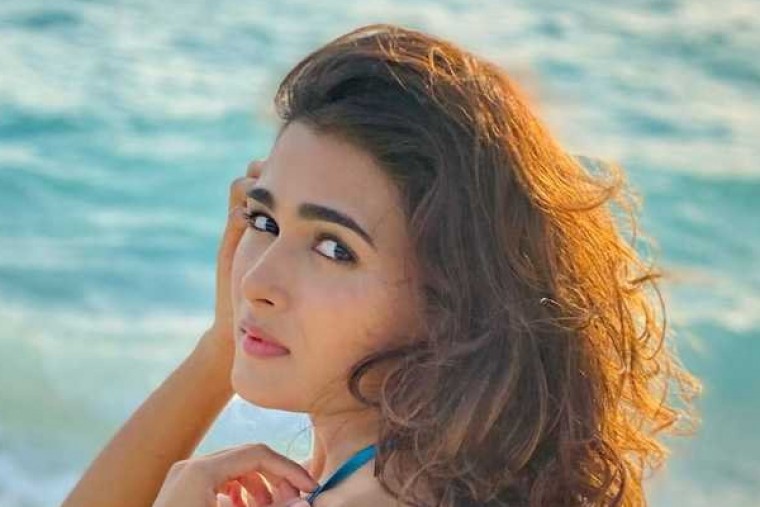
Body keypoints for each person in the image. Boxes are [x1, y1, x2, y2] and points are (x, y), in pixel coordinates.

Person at [61, 23, 701, 507]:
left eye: (334, 247)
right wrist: (221, 345)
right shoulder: (426, 475)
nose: (256, 281)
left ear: (450, 294)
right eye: (265, 222)